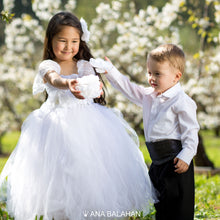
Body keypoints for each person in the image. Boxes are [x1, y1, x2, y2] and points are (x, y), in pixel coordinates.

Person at [0, 12, 156, 220]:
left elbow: (92, 84)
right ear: (51, 40)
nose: (68, 46)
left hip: (89, 122)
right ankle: (61, 210)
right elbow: (54, 80)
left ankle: (91, 208)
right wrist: (68, 84)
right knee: (60, 168)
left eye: (74, 41)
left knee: (91, 166)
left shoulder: (84, 65)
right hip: (56, 124)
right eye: (62, 41)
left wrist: (95, 89)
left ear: (81, 41)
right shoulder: (48, 66)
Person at [90, 43, 200, 220]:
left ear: (176, 77)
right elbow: (128, 88)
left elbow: (191, 131)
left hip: (176, 161)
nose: (152, 78)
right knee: (161, 205)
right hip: (157, 163)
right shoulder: (149, 96)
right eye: (149, 72)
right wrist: (110, 71)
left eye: (158, 74)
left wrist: (187, 155)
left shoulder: (181, 101)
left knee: (178, 207)